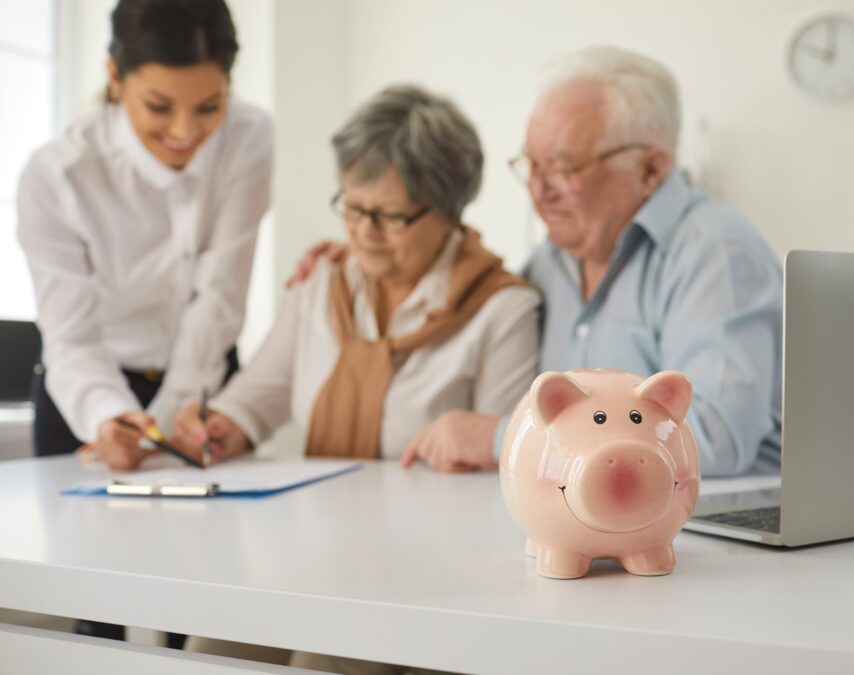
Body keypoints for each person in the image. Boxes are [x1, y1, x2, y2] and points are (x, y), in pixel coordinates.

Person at [176, 83, 539, 671]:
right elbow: (261, 394)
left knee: (324, 661)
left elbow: (504, 482)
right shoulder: (322, 283)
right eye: (351, 205)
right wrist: (216, 426)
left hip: (430, 574)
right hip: (304, 549)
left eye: (390, 217)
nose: (363, 231)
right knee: (209, 649)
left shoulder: (502, 309)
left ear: (447, 214)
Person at [293, 47, 782, 478]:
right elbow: (476, 286)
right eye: (532, 165)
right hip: (599, 529)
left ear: (650, 169)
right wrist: (367, 250)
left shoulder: (714, 252)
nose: (538, 191)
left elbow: (716, 439)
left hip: (719, 539)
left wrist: (501, 437)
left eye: (563, 168)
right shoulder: (551, 263)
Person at [17, 0, 272, 473]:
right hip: (89, 392)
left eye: (209, 106)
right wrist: (109, 415)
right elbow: (71, 336)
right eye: (159, 106)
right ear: (114, 76)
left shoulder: (248, 137)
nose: (184, 131)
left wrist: (173, 415)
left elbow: (220, 296)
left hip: (203, 382)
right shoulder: (56, 176)